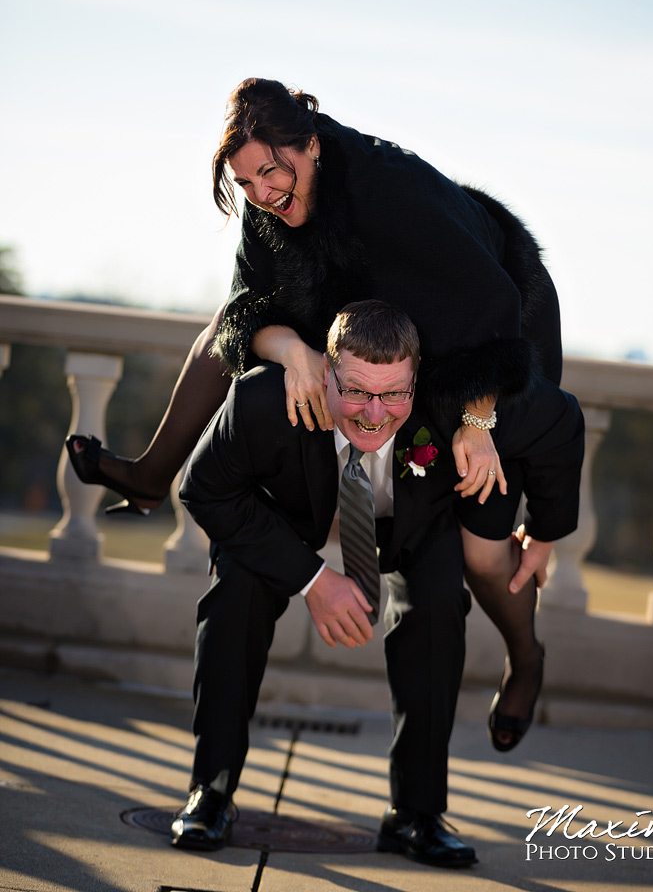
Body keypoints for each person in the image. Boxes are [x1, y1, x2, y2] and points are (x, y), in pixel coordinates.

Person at [66, 77, 570, 753]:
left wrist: (477, 424)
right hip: (374, 318)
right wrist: (295, 350)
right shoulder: (270, 196)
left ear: (311, 145)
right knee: (226, 321)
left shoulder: (390, 188)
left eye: (272, 172)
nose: (262, 193)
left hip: (491, 322)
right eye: (244, 183)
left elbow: (495, 310)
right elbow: (247, 310)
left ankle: (527, 659)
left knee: (481, 554)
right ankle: (153, 475)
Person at [170, 300, 584, 868]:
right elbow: (203, 488)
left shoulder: (457, 409)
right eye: (357, 391)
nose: (373, 413)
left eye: (394, 394)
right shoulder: (263, 400)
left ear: (418, 382)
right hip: (289, 514)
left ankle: (415, 814)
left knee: (438, 603)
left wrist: (545, 533)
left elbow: (562, 421)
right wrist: (313, 579)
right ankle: (210, 792)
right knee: (236, 587)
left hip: (419, 515)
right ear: (324, 372)